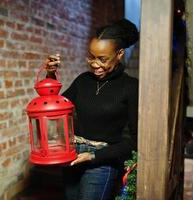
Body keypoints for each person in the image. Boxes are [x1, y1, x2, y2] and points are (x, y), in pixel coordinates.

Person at [45, 18, 139, 200]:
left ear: (119, 54)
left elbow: (134, 141)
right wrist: (50, 74)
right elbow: (55, 105)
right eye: (91, 57)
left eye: (102, 59)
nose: (94, 64)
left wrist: (93, 156)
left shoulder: (130, 87)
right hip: (72, 155)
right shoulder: (83, 81)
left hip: (102, 162)